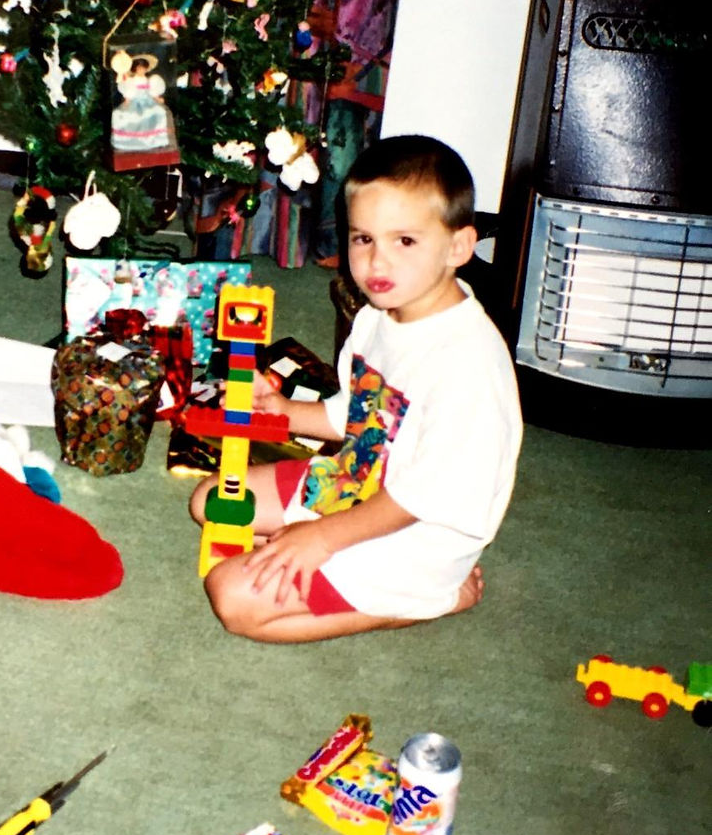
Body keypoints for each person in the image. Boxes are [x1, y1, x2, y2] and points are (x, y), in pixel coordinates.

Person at [189, 134, 523, 643]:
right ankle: (308, 547)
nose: (376, 263)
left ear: (458, 246)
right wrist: (279, 408)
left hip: (413, 535)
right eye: (364, 239)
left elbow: (422, 498)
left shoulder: (466, 367)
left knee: (232, 597)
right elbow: (352, 414)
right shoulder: (376, 318)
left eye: (404, 241)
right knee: (212, 501)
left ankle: (428, 603)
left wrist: (320, 539)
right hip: (358, 480)